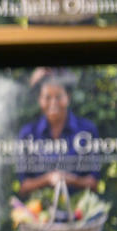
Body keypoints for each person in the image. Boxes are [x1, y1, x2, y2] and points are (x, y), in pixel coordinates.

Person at [16, 68, 99, 199]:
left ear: (68, 97)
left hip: (79, 214)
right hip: (39, 214)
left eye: (59, 97)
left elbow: (94, 183)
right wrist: (48, 179)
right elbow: (23, 187)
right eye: (47, 97)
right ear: (39, 99)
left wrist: (69, 179)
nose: (53, 103)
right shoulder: (27, 134)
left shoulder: (87, 130)